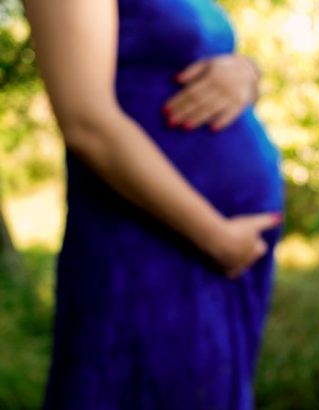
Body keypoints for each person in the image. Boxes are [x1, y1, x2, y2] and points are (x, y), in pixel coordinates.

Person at [23, 0, 284, 408]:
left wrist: (248, 73)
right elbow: (87, 122)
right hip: (148, 241)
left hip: (216, 252)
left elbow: (199, 55)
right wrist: (217, 237)